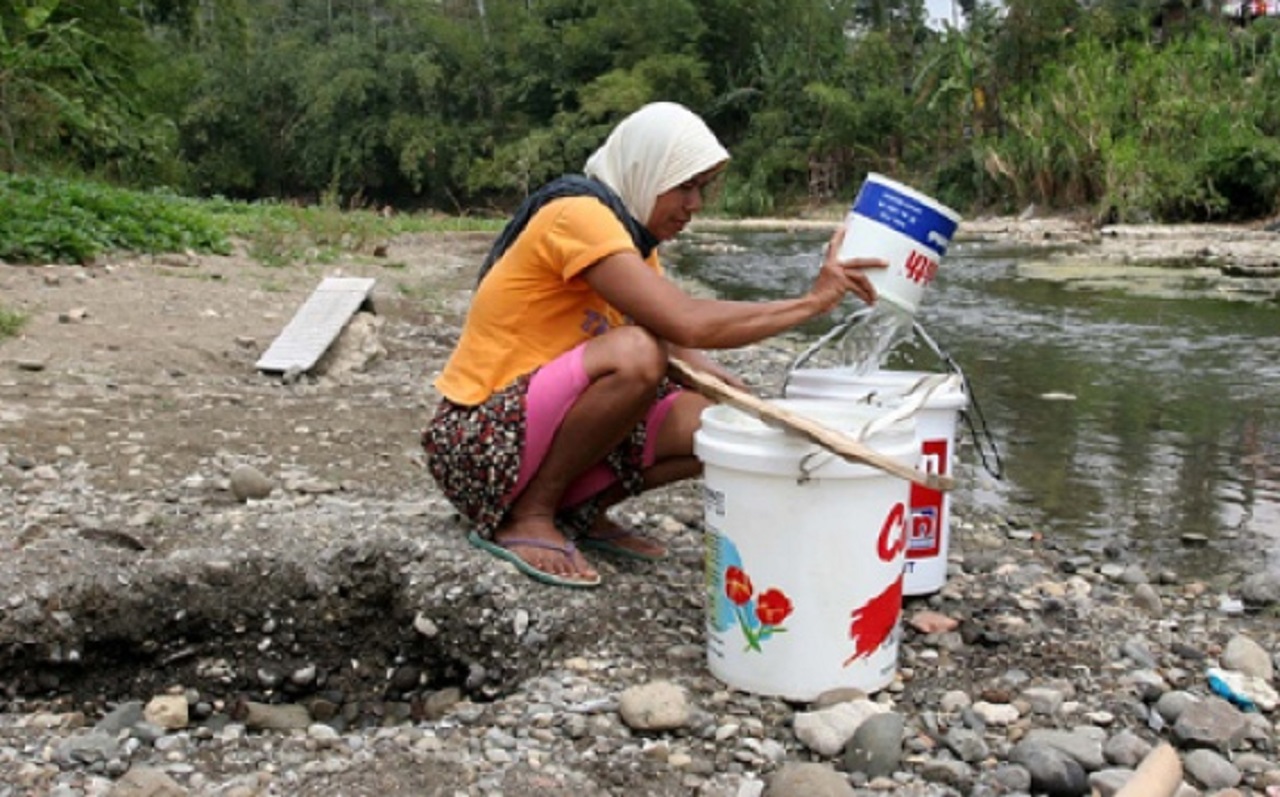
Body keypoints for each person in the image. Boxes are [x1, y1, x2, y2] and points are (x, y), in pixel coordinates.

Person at [422, 101, 884, 588]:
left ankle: (577, 511)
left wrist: (741, 401)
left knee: (721, 425)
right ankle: (530, 514)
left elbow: (683, 345)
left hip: (533, 434)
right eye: (684, 187)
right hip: (479, 445)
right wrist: (811, 303)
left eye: (700, 189)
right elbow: (683, 322)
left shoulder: (634, 243)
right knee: (637, 355)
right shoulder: (577, 214)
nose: (695, 205)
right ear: (645, 171)